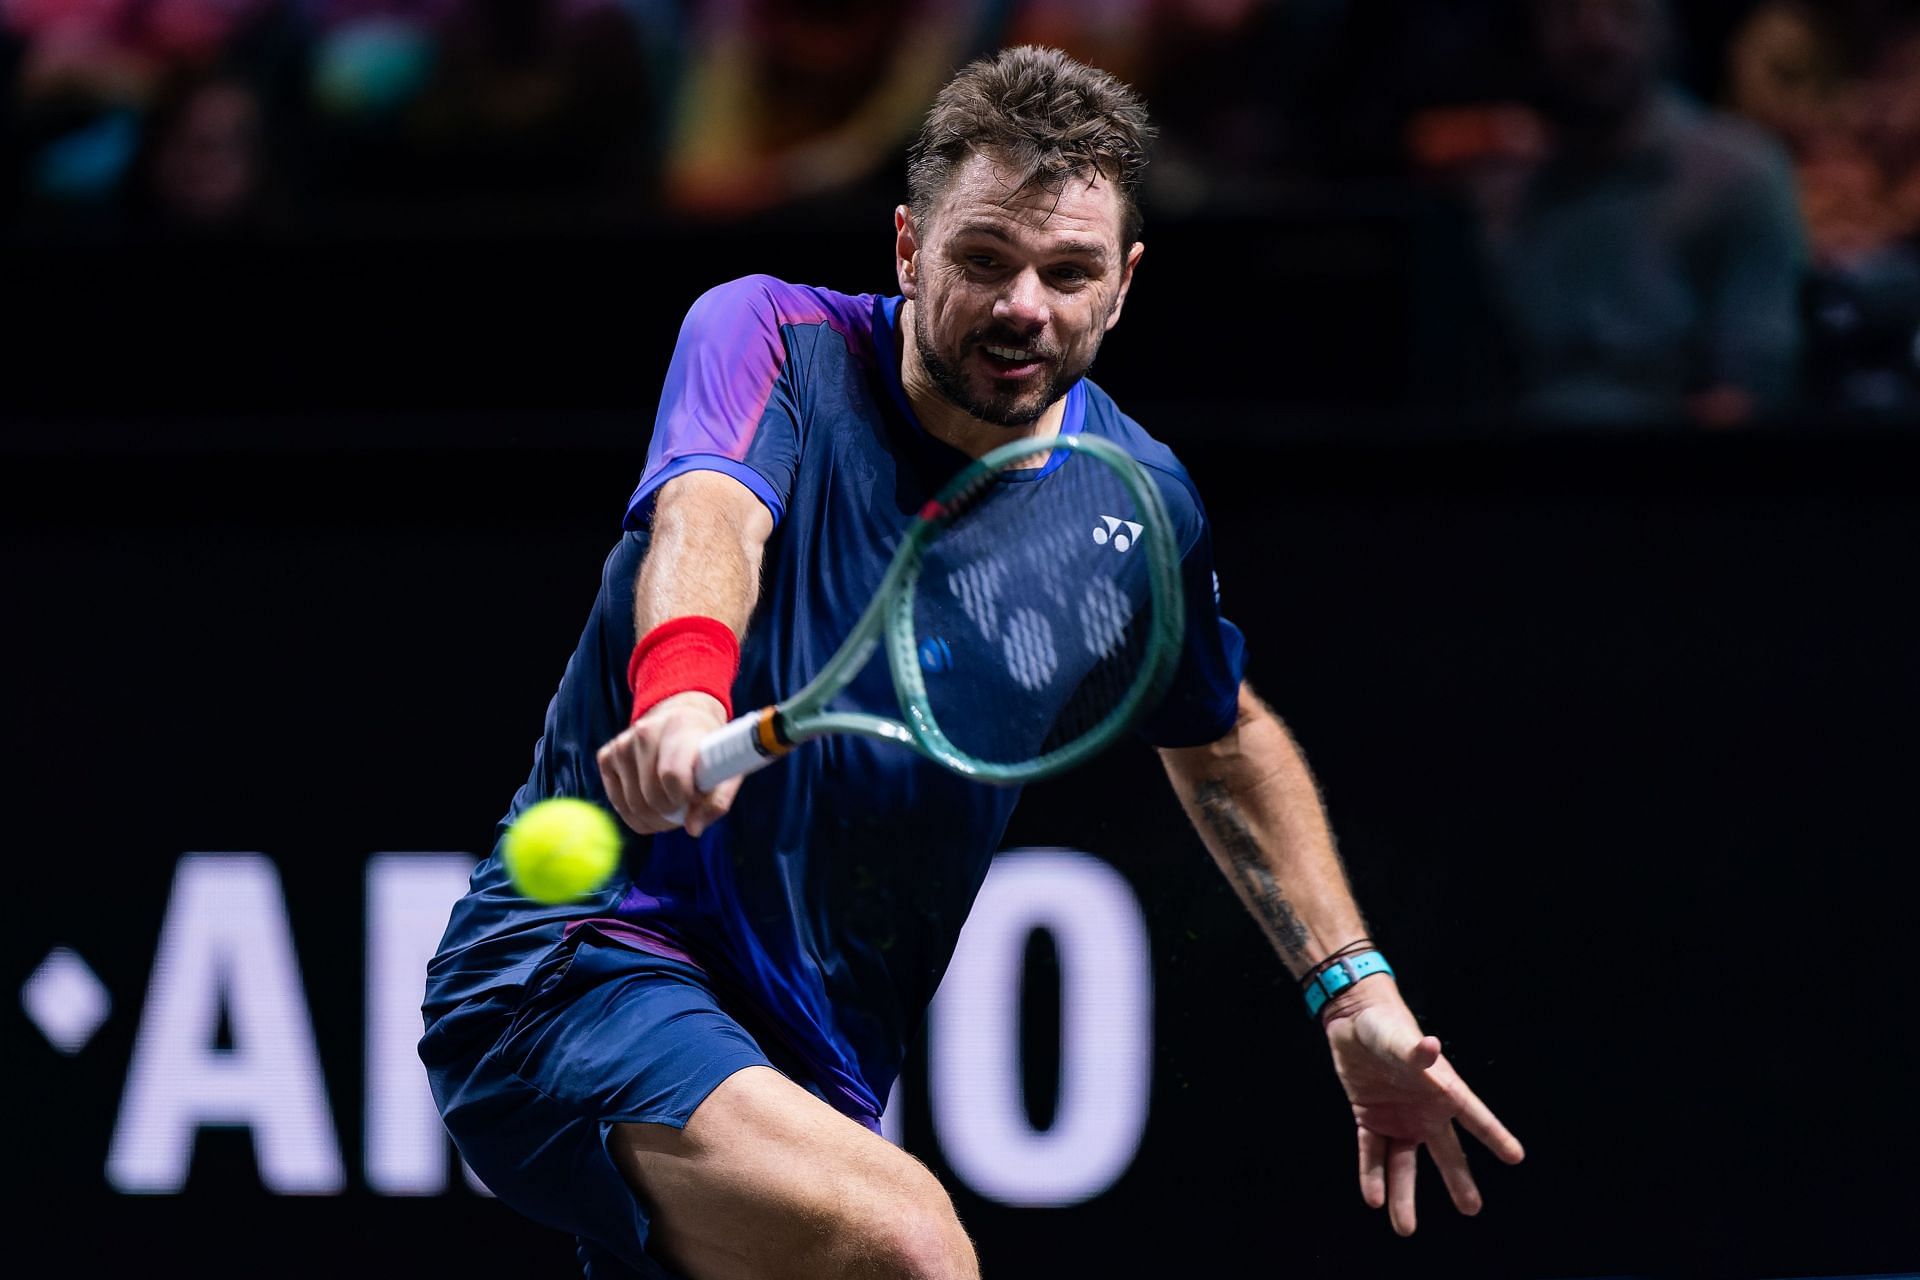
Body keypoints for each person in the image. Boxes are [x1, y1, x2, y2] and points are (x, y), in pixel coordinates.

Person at [421, 45, 1524, 1280]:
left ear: (1124, 286)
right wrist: (682, 692)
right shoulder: (771, 335)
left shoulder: (1134, 506)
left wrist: (1354, 988)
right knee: (911, 1246)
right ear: (907, 248)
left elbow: (1221, 740)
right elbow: (711, 517)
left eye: (1070, 273)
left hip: (815, 1064)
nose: (1023, 306)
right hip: (583, 962)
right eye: (984, 258)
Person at [1473, 0, 1809, 428]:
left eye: (1624, 11)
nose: (1597, 36)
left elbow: (1748, 385)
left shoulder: (1737, 176)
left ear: (1665, 26)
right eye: (1568, 15)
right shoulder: (1507, 191)